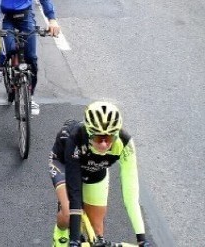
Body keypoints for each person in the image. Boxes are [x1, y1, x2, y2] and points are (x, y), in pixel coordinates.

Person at [50, 102, 151, 247]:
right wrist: (74, 240)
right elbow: (75, 192)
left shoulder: (125, 143)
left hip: (95, 170)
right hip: (64, 165)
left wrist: (142, 239)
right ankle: (59, 235)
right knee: (67, 213)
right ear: (89, 132)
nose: (104, 144)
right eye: (98, 138)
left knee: (98, 235)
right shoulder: (76, 137)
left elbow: (131, 196)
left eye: (109, 138)